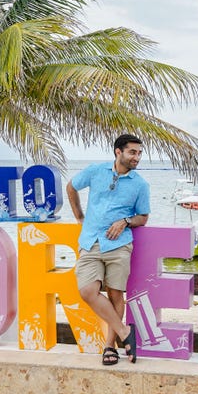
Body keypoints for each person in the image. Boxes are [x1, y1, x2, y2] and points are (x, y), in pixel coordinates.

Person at [66, 134, 150, 365]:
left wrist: (125, 221)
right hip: (90, 241)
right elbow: (71, 187)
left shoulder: (140, 184)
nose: (137, 157)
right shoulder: (96, 171)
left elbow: (143, 217)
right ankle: (125, 332)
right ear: (118, 152)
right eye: (133, 152)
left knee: (115, 294)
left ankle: (109, 347)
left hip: (119, 245)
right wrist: (79, 216)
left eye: (139, 153)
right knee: (87, 292)